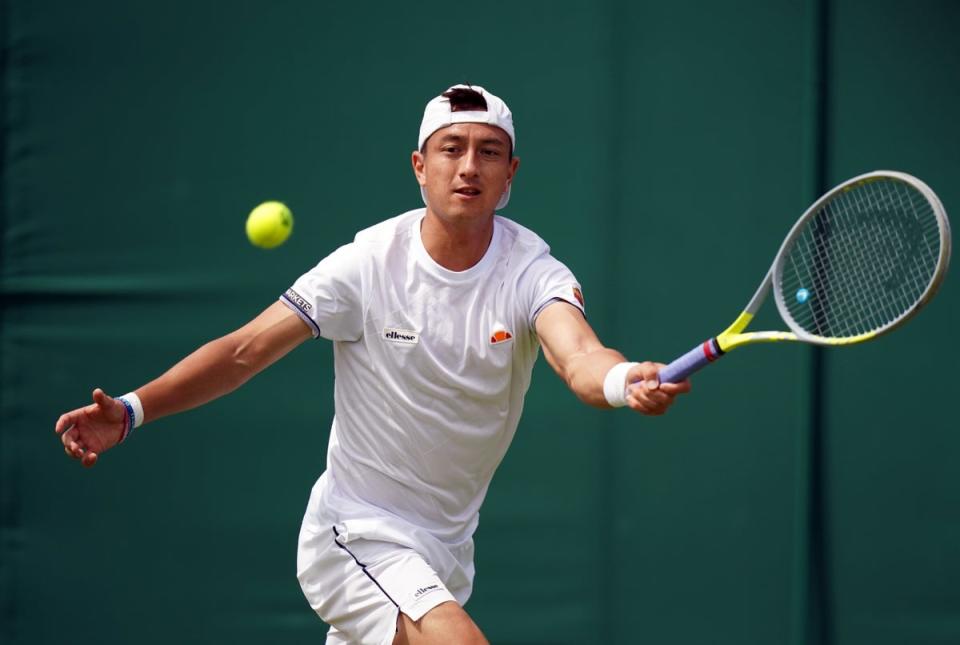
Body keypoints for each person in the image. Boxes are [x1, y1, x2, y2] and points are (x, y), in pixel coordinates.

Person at [55, 84, 691, 645]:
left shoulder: (532, 271)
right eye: (451, 148)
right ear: (420, 166)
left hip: (445, 552)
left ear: (510, 175)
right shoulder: (364, 265)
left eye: (488, 152)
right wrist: (134, 411)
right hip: (353, 535)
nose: (468, 166)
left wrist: (618, 379)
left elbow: (576, 352)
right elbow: (245, 350)